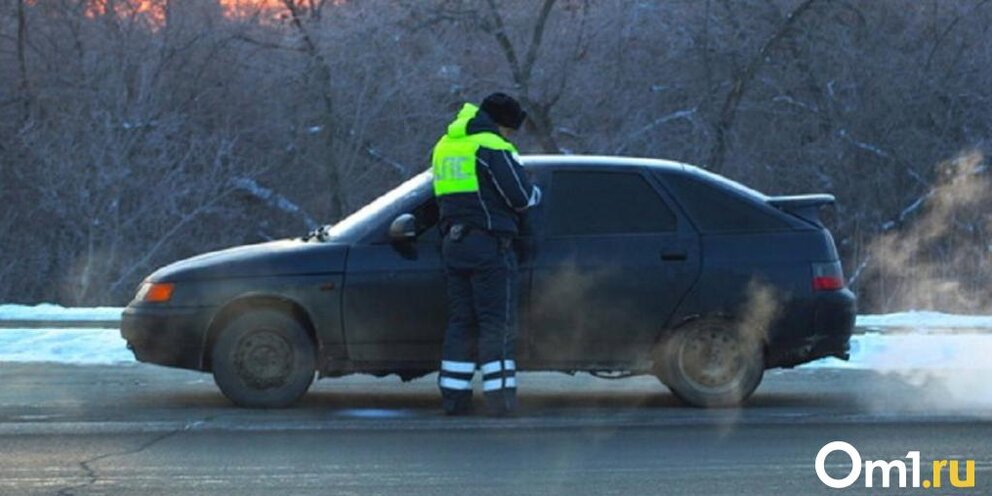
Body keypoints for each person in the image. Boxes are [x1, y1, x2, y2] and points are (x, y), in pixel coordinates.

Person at [431, 93, 541, 417]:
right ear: (502, 124)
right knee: (497, 326)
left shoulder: (445, 147)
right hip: (490, 247)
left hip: (454, 245)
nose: (510, 137)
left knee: (461, 323)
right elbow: (520, 197)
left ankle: (454, 399)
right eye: (510, 130)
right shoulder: (492, 146)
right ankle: (501, 402)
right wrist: (536, 193)